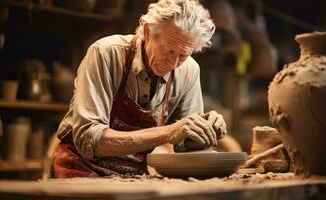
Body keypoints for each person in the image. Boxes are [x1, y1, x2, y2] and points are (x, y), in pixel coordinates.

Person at [52, 0, 227, 178]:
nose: (173, 63)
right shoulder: (106, 53)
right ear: (147, 32)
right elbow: (89, 139)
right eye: (168, 50)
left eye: (183, 55)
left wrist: (204, 129)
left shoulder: (189, 70)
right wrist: (170, 131)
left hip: (133, 174)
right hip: (81, 167)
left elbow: (185, 145)